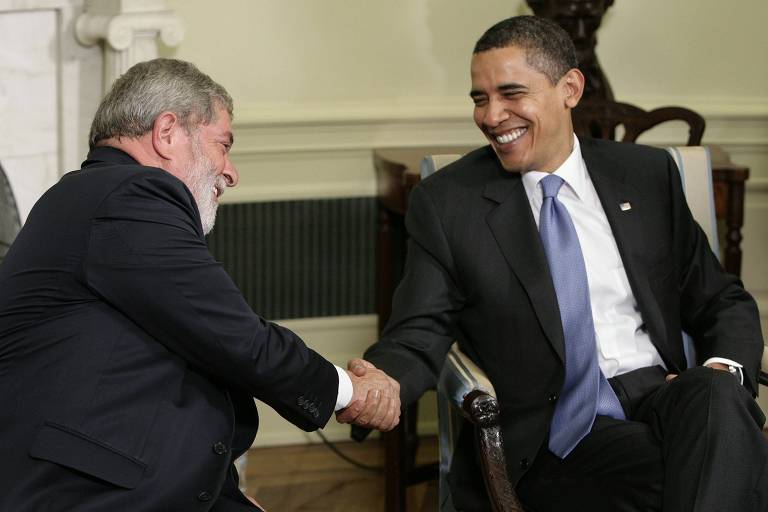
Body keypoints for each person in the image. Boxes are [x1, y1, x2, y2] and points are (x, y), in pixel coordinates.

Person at [359, 15, 767, 512]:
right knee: (732, 467)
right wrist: (382, 381)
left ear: (569, 88)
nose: (491, 116)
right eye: (480, 99)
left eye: (511, 94)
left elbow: (720, 298)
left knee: (718, 394)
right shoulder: (449, 204)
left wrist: (723, 367)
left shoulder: (644, 174)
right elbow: (419, 331)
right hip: (556, 432)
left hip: (663, 395)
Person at [0, 58, 399, 512]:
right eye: (222, 145)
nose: (231, 172)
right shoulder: (131, 194)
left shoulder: (93, 196)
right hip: (85, 495)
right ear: (167, 132)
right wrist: (350, 390)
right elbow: (237, 336)